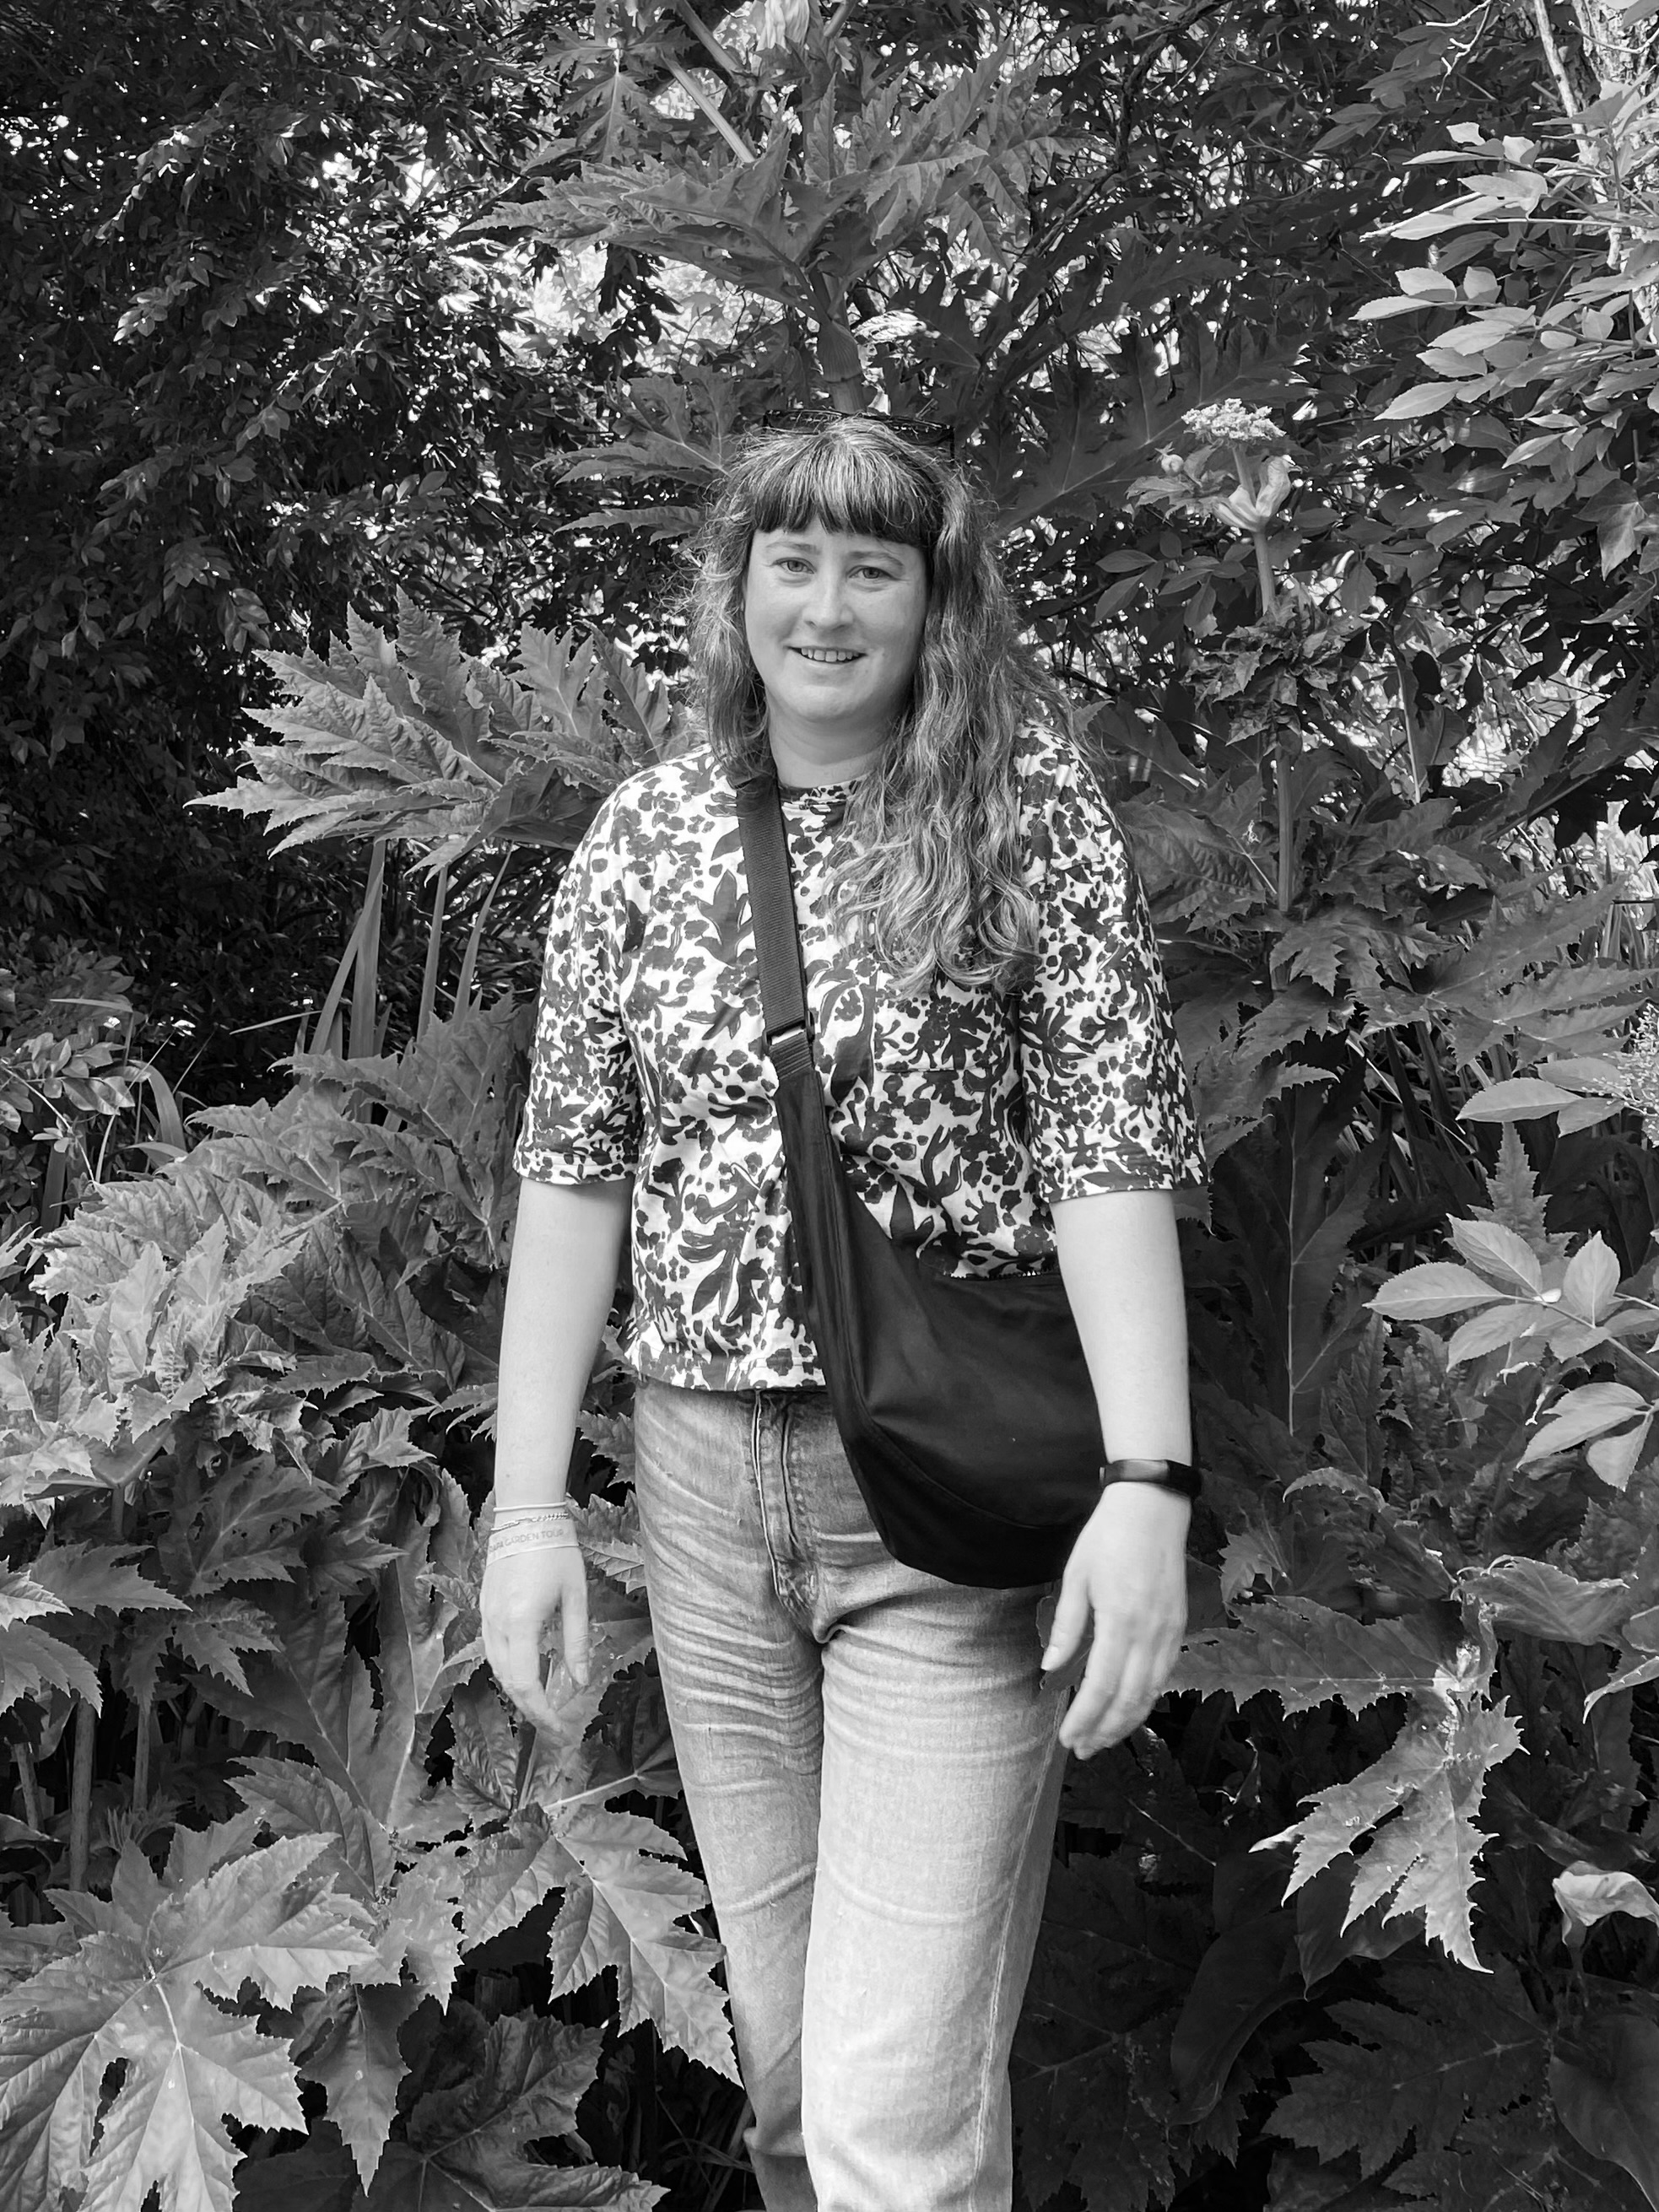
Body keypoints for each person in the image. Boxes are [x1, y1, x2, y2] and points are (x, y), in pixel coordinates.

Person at [481, 416, 1205, 2212]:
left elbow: (1106, 1155)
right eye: (790, 561)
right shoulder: (643, 839)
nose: (827, 604)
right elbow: (573, 1177)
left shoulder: (1019, 816)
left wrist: (1149, 1485)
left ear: (930, 597)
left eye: (872, 564)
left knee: (893, 2109)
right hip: (705, 1495)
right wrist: (522, 1512)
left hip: (941, 1503)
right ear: (734, 594)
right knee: (804, 2091)